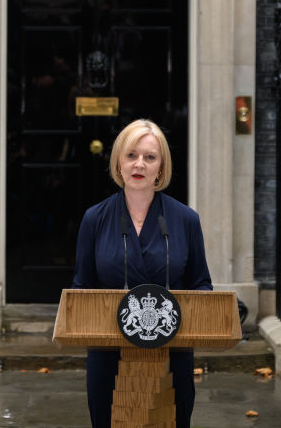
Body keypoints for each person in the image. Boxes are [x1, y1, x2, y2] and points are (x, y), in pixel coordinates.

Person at [72, 118, 212, 428]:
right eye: (131, 155)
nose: (140, 165)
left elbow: (201, 285)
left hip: (171, 352)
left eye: (150, 157)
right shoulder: (94, 219)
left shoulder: (186, 219)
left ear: (161, 167)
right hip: (109, 354)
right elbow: (81, 288)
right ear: (118, 162)